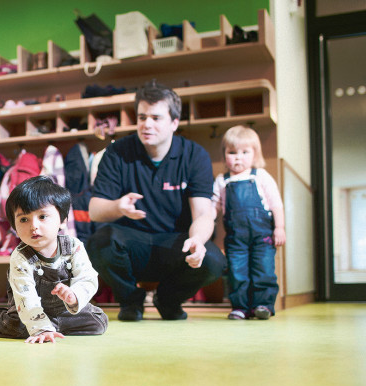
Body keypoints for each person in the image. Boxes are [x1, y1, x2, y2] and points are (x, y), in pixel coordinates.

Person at [86, 80, 226, 321]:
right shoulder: (117, 152)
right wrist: (118, 206)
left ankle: (168, 299)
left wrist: (198, 240)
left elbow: (203, 213)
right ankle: (131, 302)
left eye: (156, 118)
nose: (146, 124)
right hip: (131, 246)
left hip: (175, 246)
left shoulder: (194, 155)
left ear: (174, 122)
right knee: (98, 243)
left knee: (213, 260)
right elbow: (94, 211)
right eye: (141, 117)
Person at [0, 175, 108, 343]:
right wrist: (40, 329)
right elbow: (26, 298)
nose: (34, 226)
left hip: (66, 311)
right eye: (24, 219)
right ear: (14, 227)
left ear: (62, 220)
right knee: (12, 324)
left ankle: (54, 326)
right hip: (28, 310)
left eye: (42, 217)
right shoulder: (20, 257)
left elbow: (87, 277)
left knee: (98, 322)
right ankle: (29, 325)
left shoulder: (73, 246)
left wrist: (73, 295)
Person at [213, 125, 285, 320]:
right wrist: (206, 219)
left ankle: (263, 305)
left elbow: (276, 204)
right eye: (232, 152)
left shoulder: (260, 176)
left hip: (263, 236)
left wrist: (279, 228)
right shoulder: (222, 180)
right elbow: (214, 206)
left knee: (264, 269)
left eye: (245, 152)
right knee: (237, 271)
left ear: (255, 154)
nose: (238, 157)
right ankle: (240, 307)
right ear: (225, 155)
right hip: (236, 238)